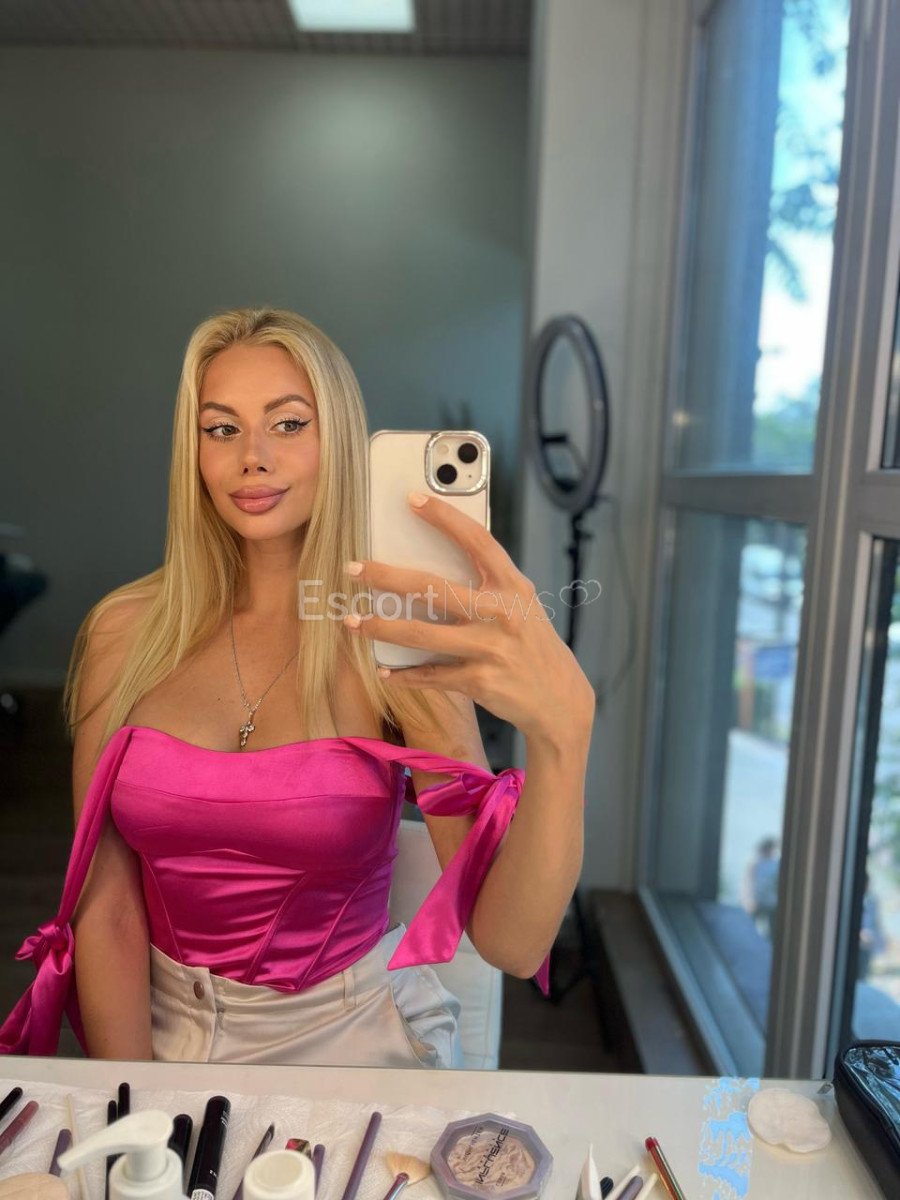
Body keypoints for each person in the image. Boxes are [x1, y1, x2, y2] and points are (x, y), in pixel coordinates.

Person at [0, 307, 594, 1067]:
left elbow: (512, 943)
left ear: (338, 443)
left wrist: (564, 734)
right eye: (222, 429)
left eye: (288, 424)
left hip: (349, 1046)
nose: (253, 457)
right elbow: (106, 905)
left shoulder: (394, 639)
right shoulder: (124, 633)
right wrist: (137, 1102)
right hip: (159, 1034)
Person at [742, 837, 780, 940]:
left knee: (772, 930)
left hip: (771, 901)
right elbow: (748, 882)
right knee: (750, 928)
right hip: (757, 900)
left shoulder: (775, 863)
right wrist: (748, 899)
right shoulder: (755, 862)